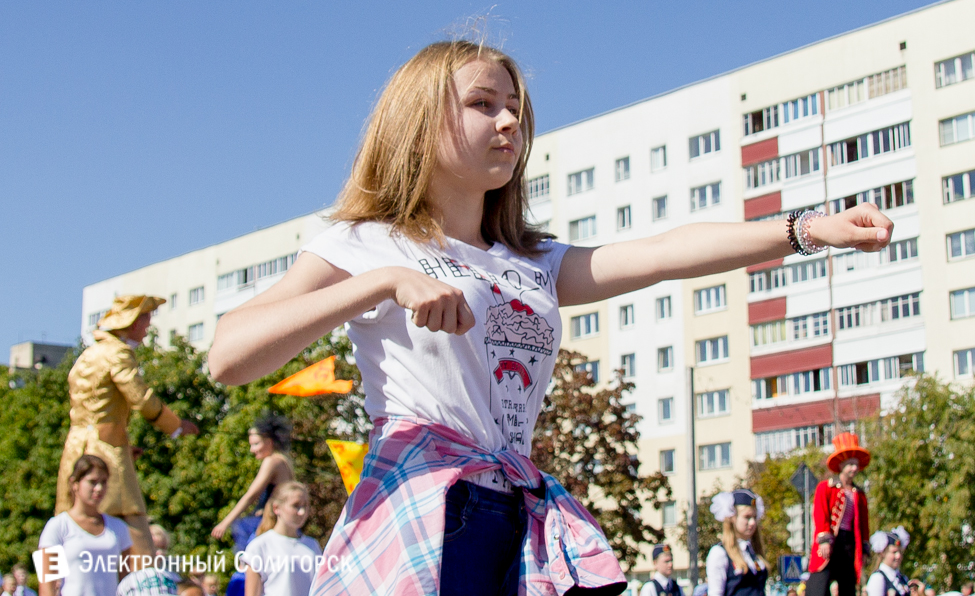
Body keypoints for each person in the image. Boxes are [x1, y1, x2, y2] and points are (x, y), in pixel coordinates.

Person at [206, 39, 894, 596]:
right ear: (417, 121)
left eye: (514, 108)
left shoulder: (529, 261)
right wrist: (381, 283)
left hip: (517, 502)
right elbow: (228, 354)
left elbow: (661, 252)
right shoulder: (365, 242)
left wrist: (809, 230)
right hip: (425, 505)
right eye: (482, 104)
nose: (509, 122)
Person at [55, 295, 198, 561]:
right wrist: (176, 426)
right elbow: (140, 397)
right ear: (130, 322)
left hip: (76, 448)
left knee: (67, 516)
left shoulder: (88, 354)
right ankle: (145, 580)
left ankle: (55, 581)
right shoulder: (118, 353)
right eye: (145, 320)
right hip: (106, 447)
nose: (147, 327)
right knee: (131, 519)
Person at [38, 455, 134, 596]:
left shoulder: (118, 527)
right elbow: (47, 584)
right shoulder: (58, 526)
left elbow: (126, 580)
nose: (99, 488)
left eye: (103, 482)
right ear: (74, 483)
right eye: (92, 482)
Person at [211, 413, 295, 549]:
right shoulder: (284, 461)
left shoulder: (272, 461)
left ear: (269, 442)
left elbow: (251, 496)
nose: (252, 450)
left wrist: (225, 523)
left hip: (271, 524)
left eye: (256, 444)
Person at [806, 432, 872, 596]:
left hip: (848, 543)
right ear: (841, 465)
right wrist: (824, 539)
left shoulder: (859, 494)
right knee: (819, 582)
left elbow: (863, 523)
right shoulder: (826, 487)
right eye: (850, 464)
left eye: (856, 465)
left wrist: (864, 547)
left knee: (848, 583)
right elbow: (821, 514)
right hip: (829, 541)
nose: (854, 468)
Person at [239, 482, 321, 596]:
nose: (302, 512)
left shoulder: (313, 545)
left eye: (305, 505)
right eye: (295, 505)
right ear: (276, 508)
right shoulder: (259, 546)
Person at [705, 489, 768, 596]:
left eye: (754, 517)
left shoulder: (753, 552)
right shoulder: (720, 553)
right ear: (732, 518)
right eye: (747, 517)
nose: (752, 523)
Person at [865, 527, 911, 596]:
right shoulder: (878, 578)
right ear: (883, 553)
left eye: (900, 552)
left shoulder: (903, 579)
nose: (898, 556)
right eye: (894, 552)